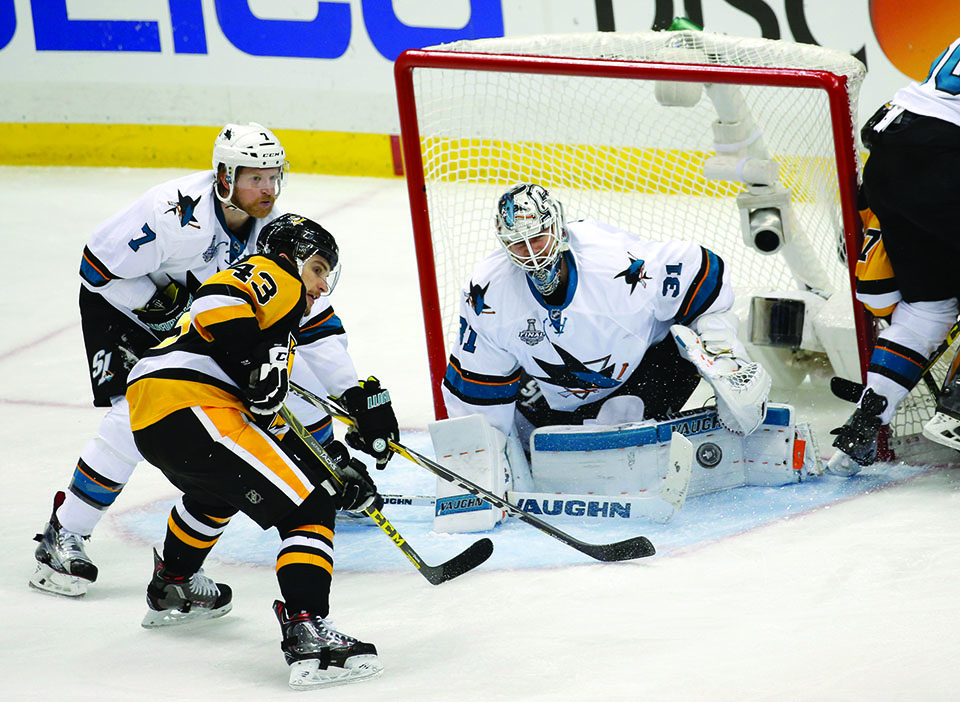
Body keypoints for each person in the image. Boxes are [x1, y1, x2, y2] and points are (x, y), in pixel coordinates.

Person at [31, 123, 398, 597]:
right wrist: (162, 304)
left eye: (273, 178)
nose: (267, 190)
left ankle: (323, 472)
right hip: (125, 309)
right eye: (254, 178)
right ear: (225, 176)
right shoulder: (170, 211)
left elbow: (310, 320)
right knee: (134, 412)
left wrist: (350, 391)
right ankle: (66, 531)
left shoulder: (275, 229)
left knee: (287, 372)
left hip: (209, 321)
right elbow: (97, 269)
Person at [125, 213, 384, 689]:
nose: (323, 285)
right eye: (320, 268)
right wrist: (249, 356)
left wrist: (330, 466)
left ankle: (174, 585)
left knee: (216, 494)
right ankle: (308, 630)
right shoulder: (277, 274)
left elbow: (267, 422)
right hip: (192, 403)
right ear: (293, 256)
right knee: (310, 507)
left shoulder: (273, 329)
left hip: (156, 413)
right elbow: (218, 296)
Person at [442, 181, 771, 453]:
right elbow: (477, 385)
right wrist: (481, 463)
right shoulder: (489, 293)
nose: (532, 255)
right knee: (515, 433)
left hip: (646, 371)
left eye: (538, 239)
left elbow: (701, 270)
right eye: (518, 245)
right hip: (549, 397)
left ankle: (732, 372)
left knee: (629, 410)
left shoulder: (615, 266)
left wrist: (724, 353)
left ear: (559, 230)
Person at [828, 37, 960, 475]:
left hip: (892, 145)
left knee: (930, 307)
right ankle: (957, 408)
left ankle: (863, 426)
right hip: (943, 159)